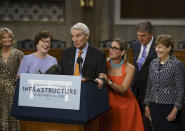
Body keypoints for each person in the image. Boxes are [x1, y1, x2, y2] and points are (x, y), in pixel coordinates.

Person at [99, 39, 144, 131]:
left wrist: (109, 81)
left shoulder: (130, 68)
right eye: (111, 47)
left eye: (115, 48)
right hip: (107, 106)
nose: (111, 50)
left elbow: (123, 90)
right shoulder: (104, 64)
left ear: (123, 52)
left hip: (125, 106)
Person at [144, 34, 185, 131]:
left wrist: (175, 111)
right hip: (154, 107)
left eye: (160, 47)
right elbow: (149, 86)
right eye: (156, 47)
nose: (157, 50)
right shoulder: (153, 63)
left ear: (169, 48)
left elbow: (181, 90)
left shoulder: (177, 65)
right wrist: (146, 106)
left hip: (169, 108)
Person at [60, 22, 106, 88]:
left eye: (78, 36)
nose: (75, 40)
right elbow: (60, 75)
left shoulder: (99, 54)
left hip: (88, 92)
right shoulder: (66, 53)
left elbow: (102, 77)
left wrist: (100, 80)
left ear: (87, 36)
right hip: (68, 91)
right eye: (73, 36)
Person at [130, 20, 157, 114]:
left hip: (150, 91)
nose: (140, 38)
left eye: (143, 36)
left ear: (151, 34)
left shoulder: (159, 46)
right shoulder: (135, 45)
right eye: (138, 35)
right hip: (135, 88)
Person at [0, 27, 24, 131]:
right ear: (0, 40)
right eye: (5, 37)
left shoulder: (18, 53)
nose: (8, 39)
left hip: (13, 90)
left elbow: (24, 72)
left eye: (9, 37)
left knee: (13, 117)